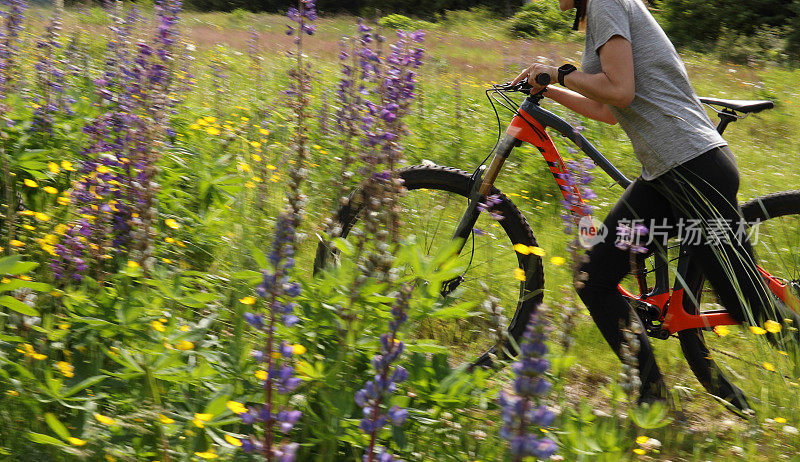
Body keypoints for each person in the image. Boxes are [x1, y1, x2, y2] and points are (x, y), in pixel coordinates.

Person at [510, 0, 795, 405]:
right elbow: (606, 109)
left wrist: (561, 71)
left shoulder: (607, 3)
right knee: (595, 278)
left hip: (692, 169)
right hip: (666, 177)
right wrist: (551, 89)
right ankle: (653, 403)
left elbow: (620, 92)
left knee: (750, 304)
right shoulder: (604, 13)